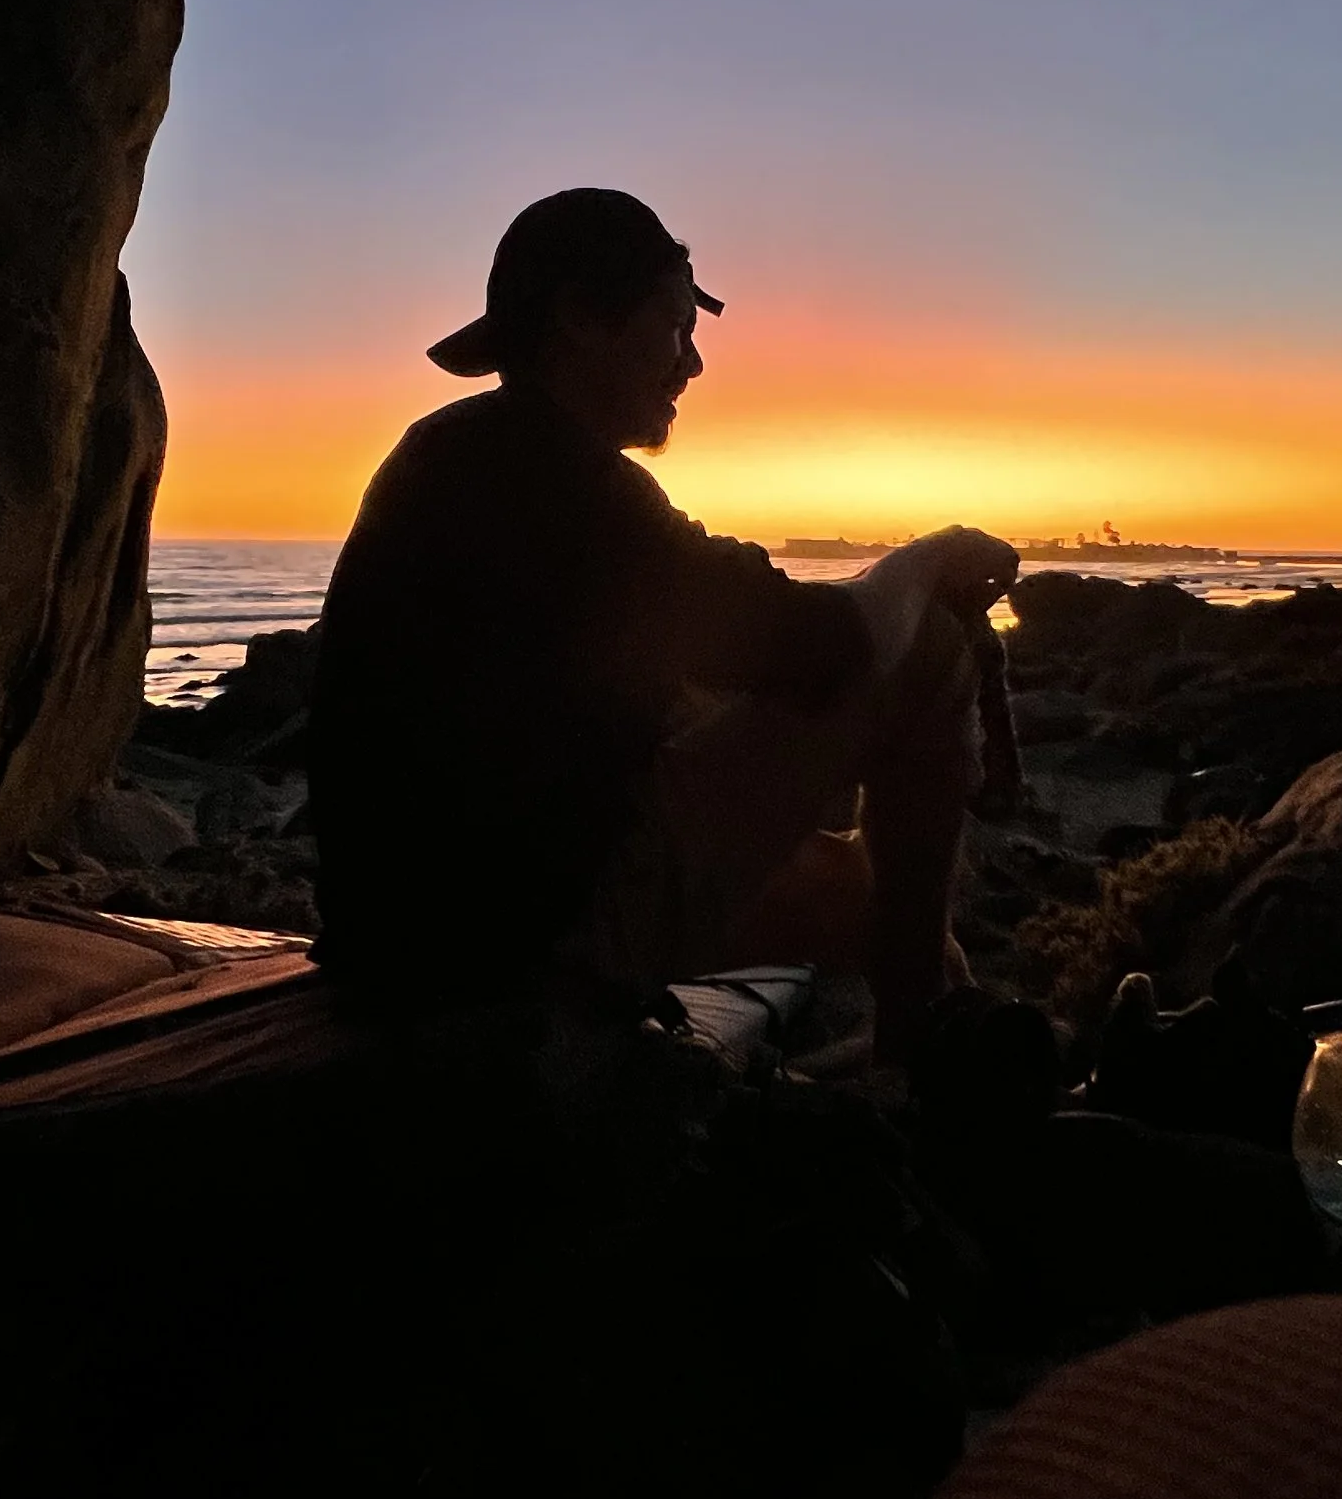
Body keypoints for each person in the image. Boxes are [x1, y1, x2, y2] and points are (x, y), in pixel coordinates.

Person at [306, 189, 1016, 1060]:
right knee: (930, 654)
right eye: (677, 328)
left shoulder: (458, 453)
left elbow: (651, 686)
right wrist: (933, 555)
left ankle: (944, 1019)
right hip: (524, 940)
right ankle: (920, 1059)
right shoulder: (562, 484)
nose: (692, 365)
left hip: (419, 931)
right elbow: (828, 643)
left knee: (865, 894)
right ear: (577, 319)